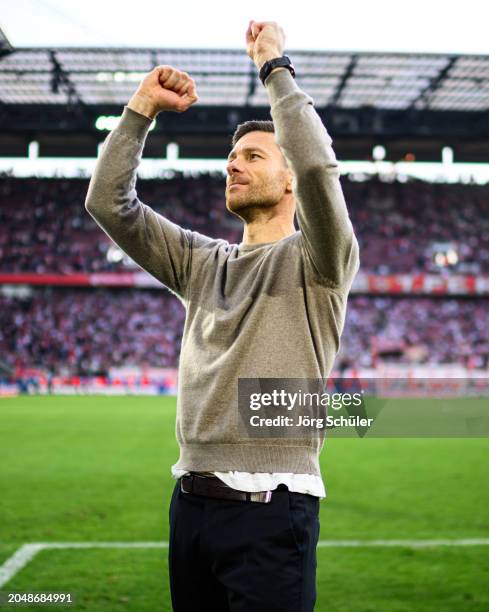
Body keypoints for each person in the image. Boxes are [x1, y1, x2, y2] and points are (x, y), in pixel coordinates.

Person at [85, 19, 359, 612]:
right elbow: (107, 202)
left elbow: (317, 168)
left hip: (271, 510)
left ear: (288, 180)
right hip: (190, 507)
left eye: (253, 156)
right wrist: (140, 110)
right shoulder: (201, 262)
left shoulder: (321, 261)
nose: (232, 165)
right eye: (231, 157)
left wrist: (274, 68)